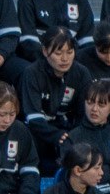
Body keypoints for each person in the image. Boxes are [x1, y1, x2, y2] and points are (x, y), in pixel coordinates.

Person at [19, 29, 91, 171]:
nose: (65, 59)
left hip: (68, 128)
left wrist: (72, 135)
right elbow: (33, 117)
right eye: (58, 53)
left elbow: (83, 114)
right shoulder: (32, 73)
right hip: (39, 130)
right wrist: (57, 135)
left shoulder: (81, 73)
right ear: (45, 51)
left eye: (69, 52)